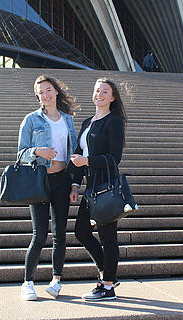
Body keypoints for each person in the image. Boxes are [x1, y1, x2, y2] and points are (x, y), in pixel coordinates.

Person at [18, 75, 78, 301]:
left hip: (62, 180)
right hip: (41, 181)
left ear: (56, 91)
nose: (46, 94)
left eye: (49, 89)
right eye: (41, 92)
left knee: (60, 234)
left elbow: (73, 155)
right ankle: (28, 282)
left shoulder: (68, 120)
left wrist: (74, 183)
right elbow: (21, 153)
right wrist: (37, 151)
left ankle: (56, 280)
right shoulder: (31, 120)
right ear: (38, 96)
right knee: (39, 233)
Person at [69, 78, 127, 301]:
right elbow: (77, 154)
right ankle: (107, 273)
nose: (99, 95)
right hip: (90, 186)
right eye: (96, 91)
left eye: (105, 91)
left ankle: (107, 286)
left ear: (112, 98)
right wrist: (75, 183)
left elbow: (115, 158)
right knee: (81, 232)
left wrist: (88, 162)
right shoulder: (87, 122)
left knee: (107, 236)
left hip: (106, 185)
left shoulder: (114, 122)